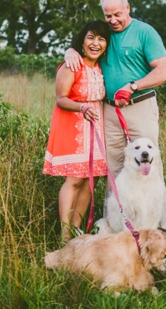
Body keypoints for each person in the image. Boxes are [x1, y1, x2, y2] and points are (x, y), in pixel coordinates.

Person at [64, 0, 166, 241]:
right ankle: (113, 233)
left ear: (127, 8)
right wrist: (69, 50)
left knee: (149, 168)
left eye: (117, 14)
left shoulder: (145, 32)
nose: (113, 20)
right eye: (107, 15)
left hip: (139, 105)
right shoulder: (104, 33)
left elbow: (164, 72)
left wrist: (133, 85)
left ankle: (161, 234)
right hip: (109, 110)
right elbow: (84, 42)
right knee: (113, 171)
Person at [43, 20, 111, 242]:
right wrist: (81, 107)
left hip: (96, 128)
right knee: (74, 180)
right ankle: (64, 237)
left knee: (91, 180)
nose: (96, 43)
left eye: (101, 39)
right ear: (82, 41)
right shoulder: (72, 64)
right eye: (91, 37)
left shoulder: (101, 67)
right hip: (73, 127)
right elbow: (61, 98)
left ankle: (76, 230)